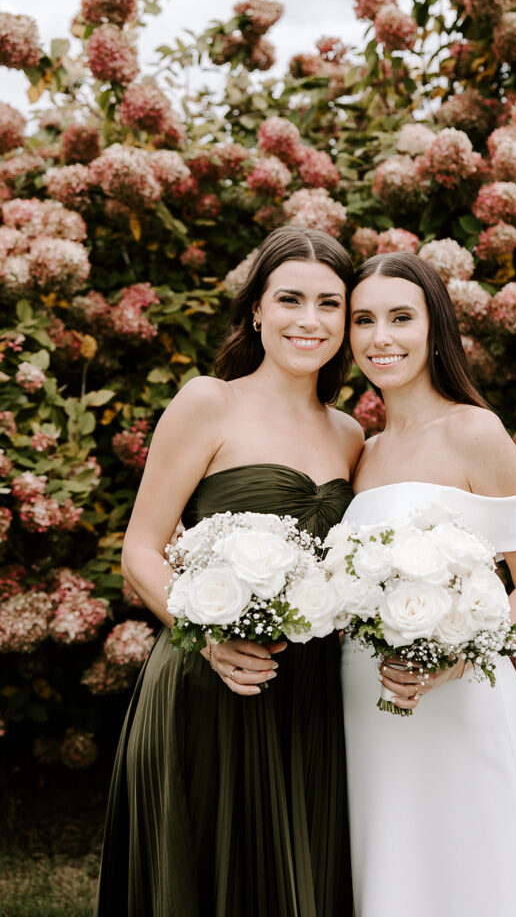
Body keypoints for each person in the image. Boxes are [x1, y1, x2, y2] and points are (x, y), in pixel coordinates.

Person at [95, 226, 363, 917]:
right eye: (290, 299)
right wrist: (207, 636)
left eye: (329, 304)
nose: (309, 320)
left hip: (308, 695)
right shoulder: (208, 402)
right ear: (256, 309)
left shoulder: (351, 434)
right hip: (206, 683)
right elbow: (140, 549)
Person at [340, 251, 516, 917]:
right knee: (389, 880)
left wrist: (456, 653)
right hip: (365, 715)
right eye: (363, 320)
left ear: (433, 328)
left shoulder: (475, 431)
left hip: (460, 704)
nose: (381, 338)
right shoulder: (361, 450)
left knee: (474, 881)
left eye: (400, 317)